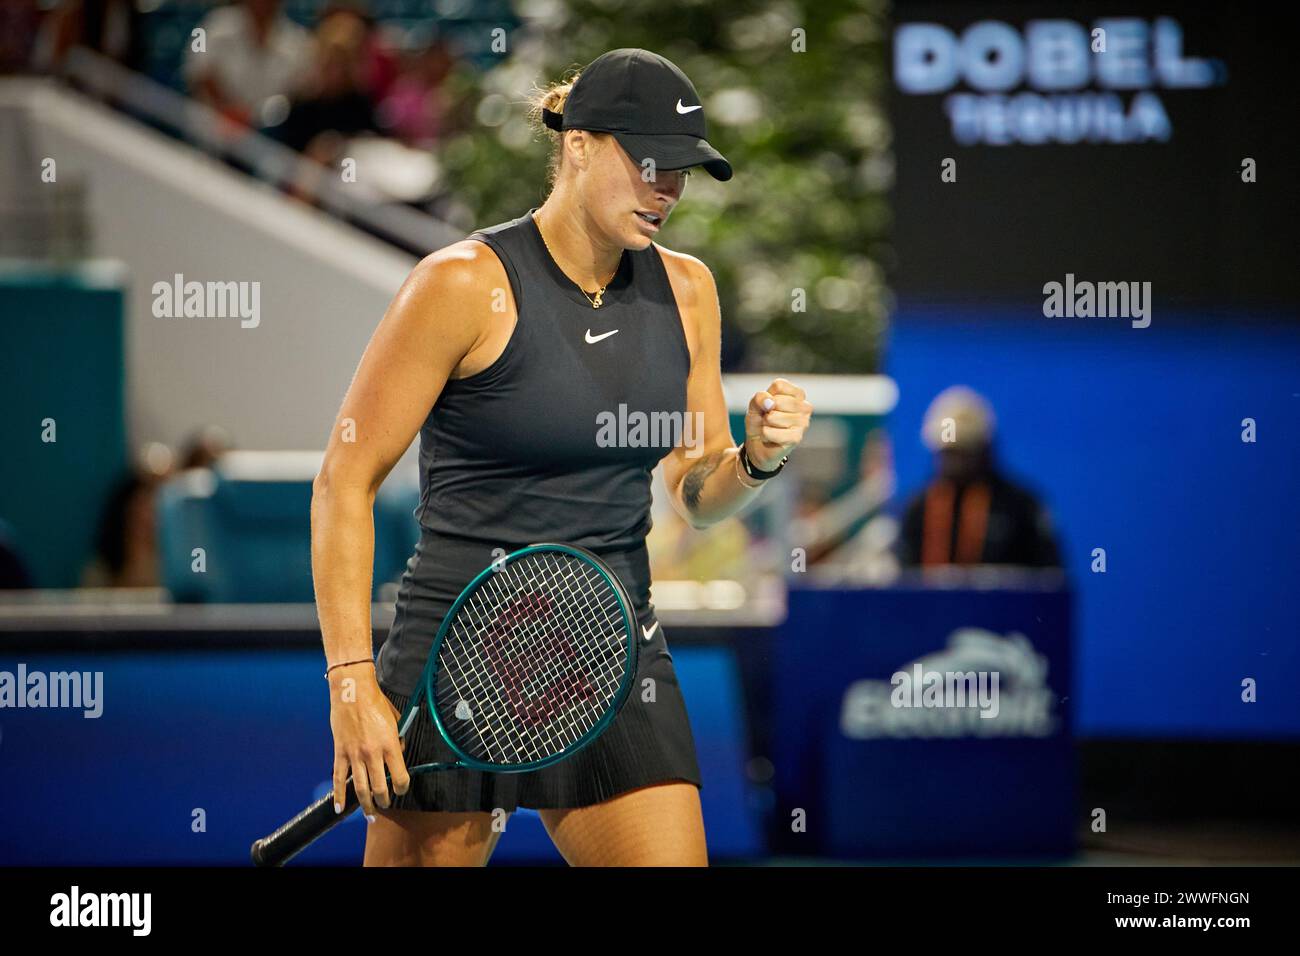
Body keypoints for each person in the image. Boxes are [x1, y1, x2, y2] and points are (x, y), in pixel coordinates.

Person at [311, 48, 812, 866]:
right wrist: (351, 682)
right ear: (579, 143)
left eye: (682, 172)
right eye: (650, 163)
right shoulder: (462, 285)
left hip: (613, 647)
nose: (668, 190)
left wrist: (753, 460)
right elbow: (343, 483)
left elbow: (695, 486)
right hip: (458, 648)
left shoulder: (689, 290)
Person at [897, 386, 1060, 568]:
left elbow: (1049, 580)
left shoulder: (1021, 508)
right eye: (947, 453)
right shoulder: (918, 509)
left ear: (984, 450)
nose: (954, 462)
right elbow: (901, 579)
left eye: (963, 451)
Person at [184, 0, 311, 128]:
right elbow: (198, 69)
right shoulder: (216, 22)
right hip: (204, 126)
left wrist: (251, 117)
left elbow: (292, 97)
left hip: (262, 134)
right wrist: (227, 111)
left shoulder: (298, 43)